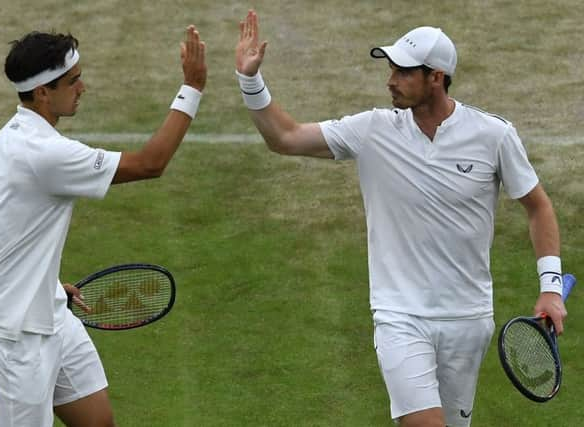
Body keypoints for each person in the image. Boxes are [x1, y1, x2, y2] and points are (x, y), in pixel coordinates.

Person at [234, 10, 566, 427]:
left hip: (468, 319)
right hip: (399, 316)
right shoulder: (372, 130)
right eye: (391, 70)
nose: (391, 80)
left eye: (404, 72)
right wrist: (251, 81)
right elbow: (284, 138)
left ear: (437, 77)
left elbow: (538, 205)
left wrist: (550, 287)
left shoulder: (493, 135)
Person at [0, 26, 206, 427]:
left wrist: (42, 280)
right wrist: (192, 88)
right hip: (18, 339)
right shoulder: (47, 153)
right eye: (73, 82)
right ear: (43, 92)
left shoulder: (7, 139)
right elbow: (151, 163)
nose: (83, 88)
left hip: (53, 314)